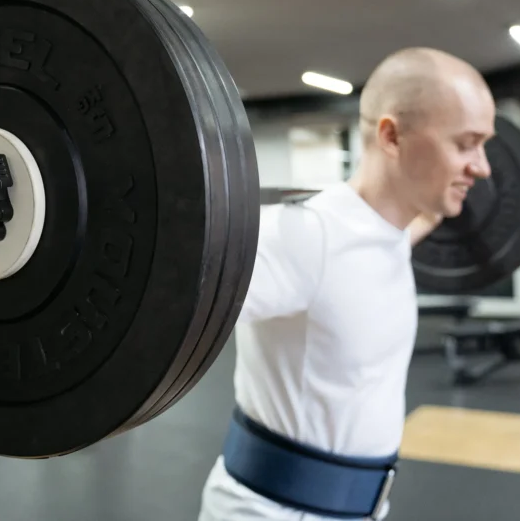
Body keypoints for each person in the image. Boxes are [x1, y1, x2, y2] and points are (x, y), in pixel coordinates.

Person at [198, 47, 496, 520]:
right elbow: (169, 310)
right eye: (465, 144)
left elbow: (372, 249)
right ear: (392, 136)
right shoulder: (302, 236)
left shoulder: (389, 233)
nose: (482, 167)